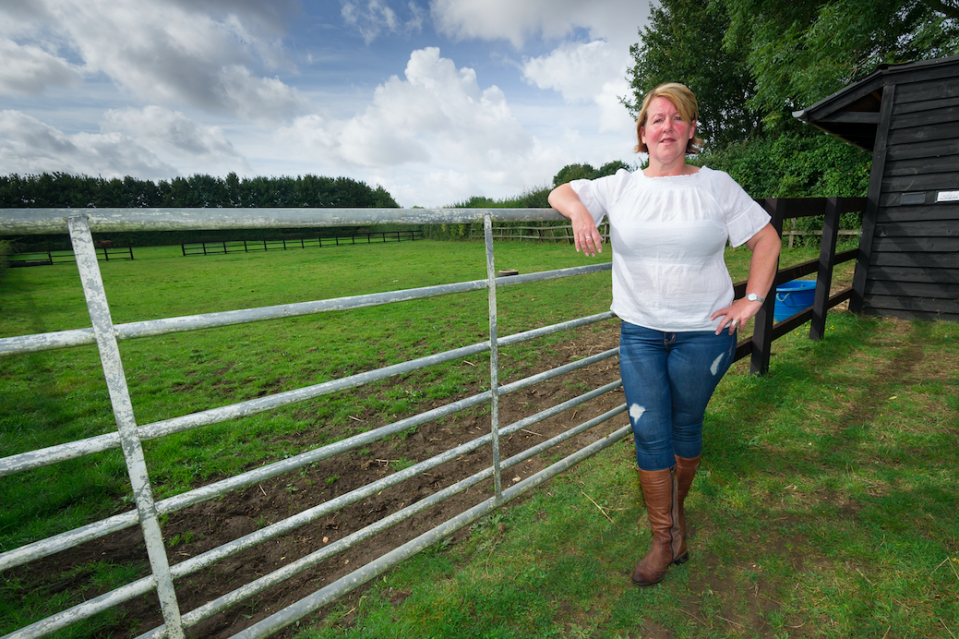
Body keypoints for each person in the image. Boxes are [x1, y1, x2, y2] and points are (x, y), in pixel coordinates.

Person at [548, 82, 781, 586]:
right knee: (649, 432)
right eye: (657, 119)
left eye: (677, 119)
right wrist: (582, 211)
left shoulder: (716, 184)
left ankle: (676, 520)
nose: (667, 128)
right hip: (641, 334)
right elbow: (560, 191)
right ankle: (663, 537)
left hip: (705, 333)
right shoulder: (621, 185)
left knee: (686, 426)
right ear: (643, 132)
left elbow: (767, 239)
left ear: (692, 130)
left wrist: (753, 300)